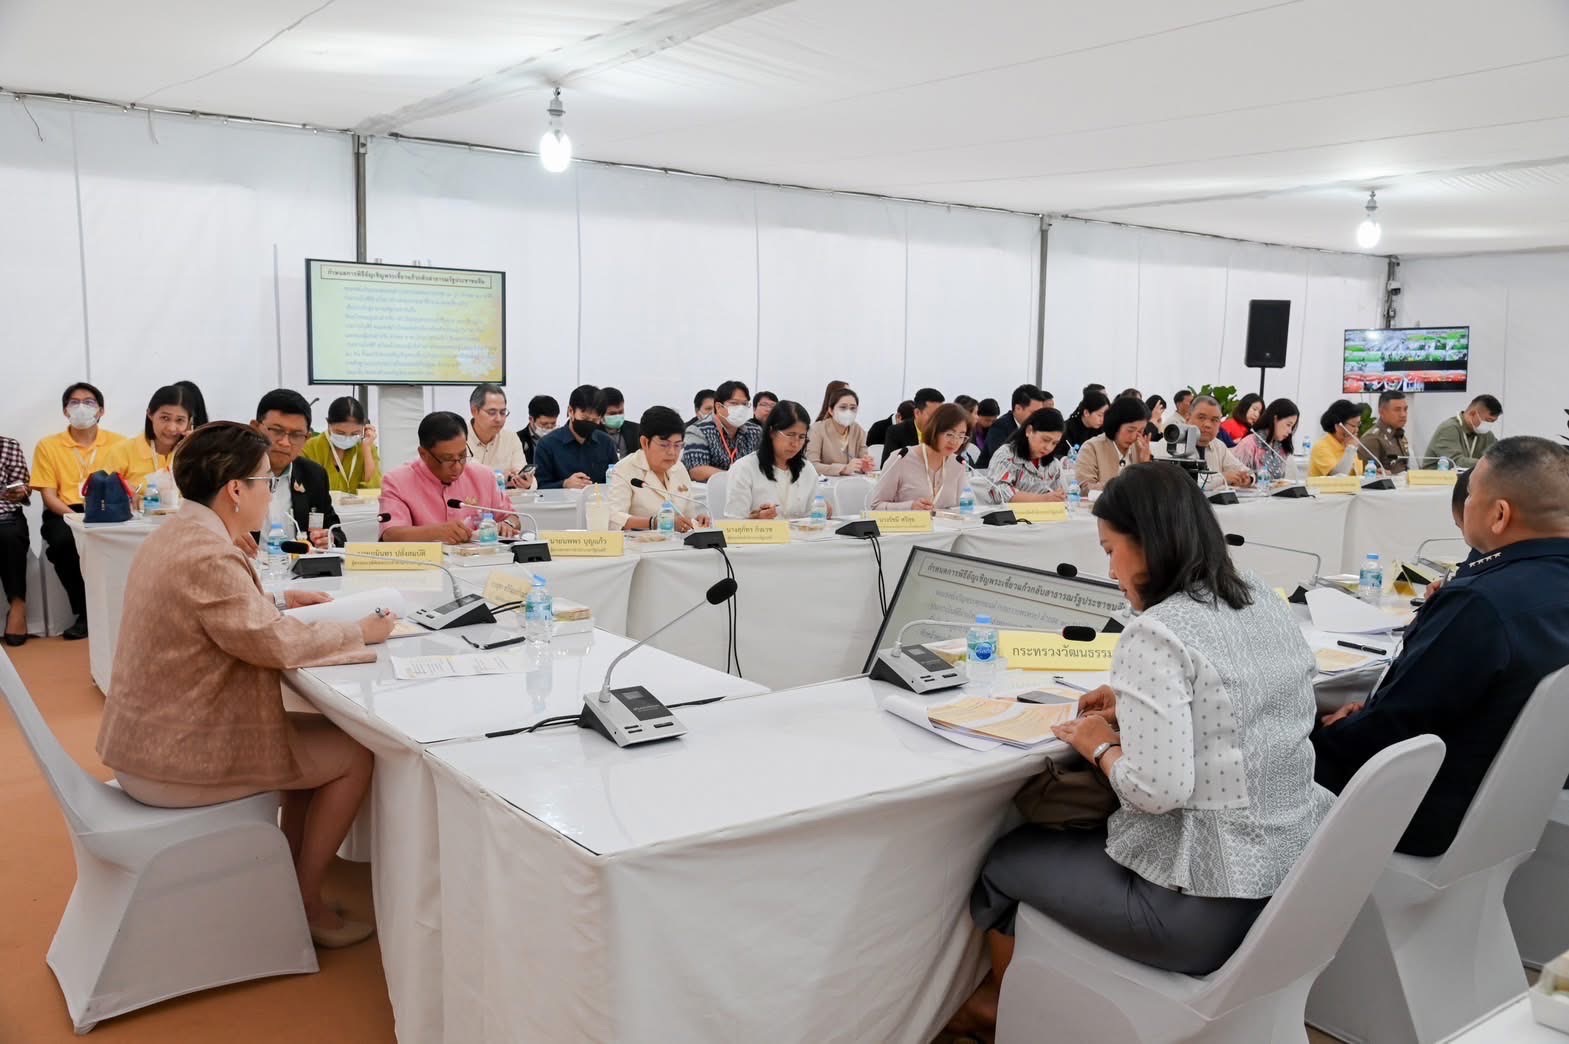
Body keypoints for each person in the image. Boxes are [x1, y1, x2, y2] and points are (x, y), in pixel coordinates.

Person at [951, 462, 1331, 1035]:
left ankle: (1000, 1010)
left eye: (1110, 550)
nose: (1109, 569)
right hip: (1293, 884)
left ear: (1147, 544)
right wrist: (1137, 706)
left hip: (1201, 906)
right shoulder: (1260, 595)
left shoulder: (1156, 631)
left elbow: (1158, 792)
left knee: (1007, 858)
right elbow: (1241, 709)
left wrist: (1100, 742)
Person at [95, 421, 395, 948]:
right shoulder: (209, 553)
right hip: (173, 756)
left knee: (311, 741)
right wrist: (356, 630)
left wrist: (278, 602)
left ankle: (287, 884)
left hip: (149, 737)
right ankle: (304, 903)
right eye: (265, 481)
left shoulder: (178, 531)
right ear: (236, 490)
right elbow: (272, 646)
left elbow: (219, 616)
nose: (269, 492)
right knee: (353, 756)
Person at [1313, 437, 1569, 856]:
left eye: (1470, 496)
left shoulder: (1481, 602)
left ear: (1499, 514)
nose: (1465, 505)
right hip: (1517, 808)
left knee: (1279, 744)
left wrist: (1330, 729)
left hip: (1428, 814)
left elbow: (1394, 729)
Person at [32, 381, 124, 639]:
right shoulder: (48, 446)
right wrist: (77, 518)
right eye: (74, 403)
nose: (81, 408)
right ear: (65, 411)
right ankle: (85, 614)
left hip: (108, 509)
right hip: (65, 511)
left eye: (89, 402)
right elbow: (48, 495)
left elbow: (126, 485)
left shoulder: (119, 443)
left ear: (101, 411)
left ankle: (119, 613)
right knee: (62, 542)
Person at [380, 412, 518, 543]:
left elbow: (512, 517)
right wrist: (436, 532)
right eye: (447, 459)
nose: (457, 467)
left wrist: (508, 523)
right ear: (423, 454)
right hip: (428, 565)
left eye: (462, 456)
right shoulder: (397, 481)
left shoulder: (484, 476)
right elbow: (390, 535)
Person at [249, 389, 341, 551]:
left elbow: (335, 530)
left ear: (307, 437)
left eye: (296, 435)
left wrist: (329, 539)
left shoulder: (313, 475)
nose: (285, 442)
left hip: (299, 571)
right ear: (256, 428)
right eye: (276, 431)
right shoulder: (230, 471)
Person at [606, 407, 711, 533]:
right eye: (664, 445)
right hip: (640, 547)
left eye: (678, 445)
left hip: (678, 545)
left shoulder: (679, 468)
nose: (672, 452)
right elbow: (614, 519)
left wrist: (697, 520)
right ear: (645, 442)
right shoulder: (625, 469)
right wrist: (655, 523)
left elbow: (688, 514)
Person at [724, 401, 827, 520]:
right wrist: (756, 519)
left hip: (801, 537)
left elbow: (811, 518)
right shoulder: (744, 468)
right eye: (790, 434)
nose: (796, 443)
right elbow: (733, 523)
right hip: (760, 537)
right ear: (772, 432)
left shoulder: (807, 469)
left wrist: (822, 511)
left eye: (801, 437)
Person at [870, 403, 968, 512]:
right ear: (934, 430)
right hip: (908, 527)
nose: (954, 442)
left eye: (961, 436)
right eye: (949, 434)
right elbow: (876, 506)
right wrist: (910, 507)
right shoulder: (901, 459)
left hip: (946, 528)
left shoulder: (958, 464)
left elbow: (963, 508)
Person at [103, 384, 195, 496]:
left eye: (180, 420)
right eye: (165, 418)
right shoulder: (123, 452)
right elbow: (101, 492)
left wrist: (197, 449)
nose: (171, 428)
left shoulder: (194, 454)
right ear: (150, 414)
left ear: (189, 422)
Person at [534, 384, 619, 489]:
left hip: (598, 503)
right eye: (585, 418)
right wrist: (564, 484)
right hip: (561, 504)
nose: (589, 423)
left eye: (594, 420)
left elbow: (616, 481)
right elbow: (539, 487)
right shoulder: (547, 445)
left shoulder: (606, 443)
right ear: (571, 411)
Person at [982, 407, 1067, 505]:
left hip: (1045, 517)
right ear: (1029, 431)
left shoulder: (1053, 464)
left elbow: (1063, 495)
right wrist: (1042, 499)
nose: (1048, 447)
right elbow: (997, 492)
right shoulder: (1007, 455)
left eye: (1054, 443)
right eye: (1045, 440)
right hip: (1009, 518)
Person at [683, 380, 763, 481]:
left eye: (744, 404)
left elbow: (765, 464)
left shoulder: (755, 431)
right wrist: (736, 478)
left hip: (747, 490)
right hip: (709, 492)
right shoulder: (698, 431)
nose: (741, 408)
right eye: (734, 403)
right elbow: (697, 470)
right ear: (718, 406)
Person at [301, 395, 381, 494]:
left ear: (364, 428)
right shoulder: (310, 447)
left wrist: (367, 450)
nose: (347, 438)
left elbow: (374, 490)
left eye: (355, 433)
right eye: (340, 433)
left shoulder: (367, 447)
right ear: (328, 424)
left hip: (360, 509)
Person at [1074, 396, 1152, 491]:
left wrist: (1145, 465)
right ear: (1115, 425)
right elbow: (1086, 488)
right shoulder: (1091, 447)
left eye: (1140, 431)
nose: (1134, 437)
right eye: (1130, 430)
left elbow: (1149, 489)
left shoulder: (1140, 447)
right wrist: (1124, 485)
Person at [466, 383, 534, 489]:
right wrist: (502, 477)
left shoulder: (511, 438)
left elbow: (528, 478)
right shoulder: (459, 438)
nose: (499, 419)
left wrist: (527, 483)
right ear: (474, 411)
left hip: (503, 503)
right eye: (492, 412)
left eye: (502, 412)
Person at [1187, 395, 1255, 488]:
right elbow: (1183, 483)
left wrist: (1247, 479)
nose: (1207, 425)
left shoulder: (1218, 445)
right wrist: (1222, 478)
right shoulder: (1170, 445)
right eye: (1201, 417)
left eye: (1214, 420)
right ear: (1188, 418)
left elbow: (1246, 471)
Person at [806, 386, 875, 476]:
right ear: (831, 410)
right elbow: (811, 465)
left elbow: (863, 459)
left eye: (853, 408)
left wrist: (864, 466)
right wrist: (843, 469)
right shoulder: (817, 429)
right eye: (843, 407)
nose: (848, 412)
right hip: (824, 485)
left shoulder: (858, 430)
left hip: (849, 484)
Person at [0, 435, 29, 646]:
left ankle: (18, 605)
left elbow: (22, 487)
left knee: (10, 536)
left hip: (4, 515)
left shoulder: (7, 446)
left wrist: (20, 492)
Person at [979, 384, 1048, 470]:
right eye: (1033, 413)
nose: (1037, 417)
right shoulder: (1000, 427)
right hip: (988, 478)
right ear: (1018, 408)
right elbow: (1003, 460)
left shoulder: (1035, 427)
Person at [1425, 394, 1502, 469]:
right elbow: (1455, 462)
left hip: (1465, 479)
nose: (1489, 425)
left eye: (1493, 422)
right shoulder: (1449, 429)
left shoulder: (1486, 434)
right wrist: (1488, 464)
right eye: (1488, 420)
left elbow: (1498, 455)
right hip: (1436, 480)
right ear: (1472, 414)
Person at [1233, 398, 1300, 483]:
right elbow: (1235, 480)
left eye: (1292, 427)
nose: (1290, 431)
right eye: (1288, 425)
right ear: (1275, 419)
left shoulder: (1282, 448)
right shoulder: (1248, 444)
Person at [881, 387, 946, 466]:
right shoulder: (896, 432)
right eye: (932, 415)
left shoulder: (944, 433)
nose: (937, 420)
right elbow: (887, 466)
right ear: (917, 413)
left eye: (940, 415)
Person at [1308, 399, 1367, 478]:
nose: (1357, 430)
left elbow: (1355, 475)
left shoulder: (1348, 444)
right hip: (1325, 490)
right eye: (1353, 426)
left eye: (1358, 425)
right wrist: (1351, 449)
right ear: (1338, 426)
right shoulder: (1321, 447)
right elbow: (1338, 477)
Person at [1360, 390, 1412, 474]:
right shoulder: (1372, 439)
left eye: (1405, 409)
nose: (1403, 414)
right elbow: (1367, 476)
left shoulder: (1398, 434)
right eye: (1397, 410)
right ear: (1382, 412)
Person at [596, 387, 641, 460]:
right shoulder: (592, 434)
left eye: (621, 412)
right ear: (600, 414)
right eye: (612, 414)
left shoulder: (636, 430)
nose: (617, 416)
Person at [518, 394, 559, 463]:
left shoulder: (561, 439)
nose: (549, 428)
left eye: (553, 423)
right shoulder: (518, 440)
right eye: (544, 424)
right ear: (531, 419)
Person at [965, 398, 1002, 465]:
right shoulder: (967, 432)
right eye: (987, 420)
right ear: (977, 415)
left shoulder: (996, 432)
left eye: (993, 421)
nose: (990, 423)